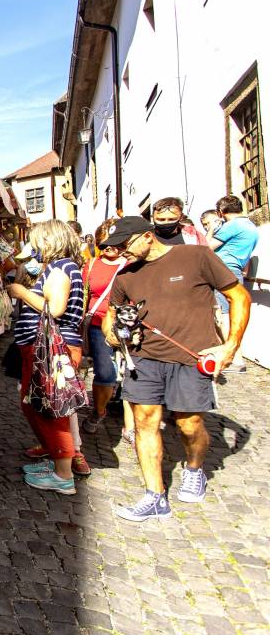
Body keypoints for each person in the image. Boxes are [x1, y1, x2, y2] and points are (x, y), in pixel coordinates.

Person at [101, 217, 251, 521]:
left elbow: (239, 297)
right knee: (144, 423)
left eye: (123, 244)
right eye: (113, 247)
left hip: (190, 357)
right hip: (143, 359)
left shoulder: (195, 256)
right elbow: (110, 315)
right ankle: (154, 495)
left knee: (188, 424)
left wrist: (231, 346)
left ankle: (194, 469)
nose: (118, 251)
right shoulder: (125, 275)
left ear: (147, 237)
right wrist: (112, 334)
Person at [7, 220, 87, 494]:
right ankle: (57, 463)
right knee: (35, 404)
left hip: (51, 348)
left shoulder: (61, 268)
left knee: (51, 409)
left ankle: (63, 474)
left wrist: (21, 293)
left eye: (37, 241)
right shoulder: (60, 267)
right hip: (43, 346)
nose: (34, 247)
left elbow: (55, 308)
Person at [82, 219, 128, 436]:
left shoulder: (132, 263)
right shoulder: (92, 265)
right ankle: (99, 410)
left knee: (135, 373)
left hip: (129, 323)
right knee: (105, 372)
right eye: (105, 243)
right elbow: (83, 293)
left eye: (116, 242)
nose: (110, 247)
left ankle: (133, 422)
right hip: (99, 323)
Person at [205, 195, 259, 342]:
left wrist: (210, 229)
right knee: (234, 312)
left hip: (222, 270)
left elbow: (206, 248)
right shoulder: (251, 226)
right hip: (236, 270)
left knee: (222, 313)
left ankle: (230, 354)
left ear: (221, 211)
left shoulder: (232, 226)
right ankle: (235, 354)